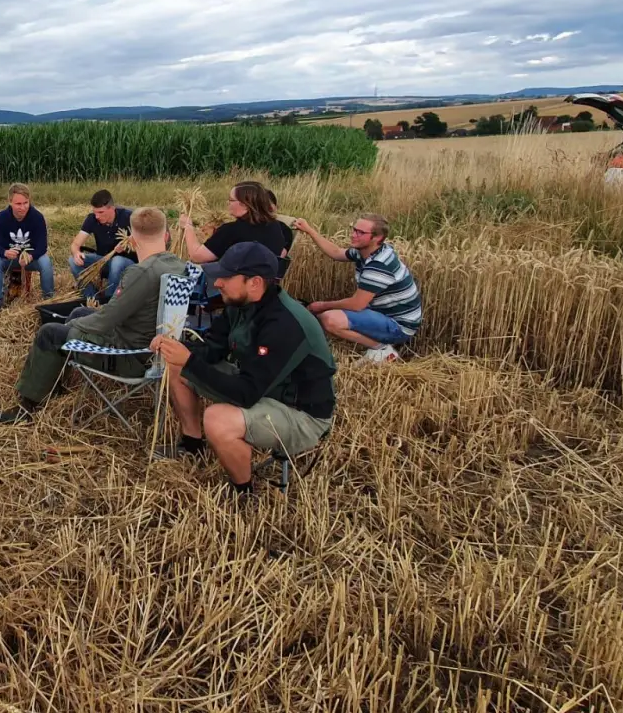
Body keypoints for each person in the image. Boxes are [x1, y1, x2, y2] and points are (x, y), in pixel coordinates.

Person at [151, 242, 336, 494]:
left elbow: (246, 394)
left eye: (226, 276)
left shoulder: (284, 324)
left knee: (217, 419)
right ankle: (192, 446)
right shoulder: (238, 306)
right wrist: (176, 349)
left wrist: (190, 361)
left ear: (255, 282)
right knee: (176, 366)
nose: (217, 282)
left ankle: (244, 492)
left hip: (300, 413)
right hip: (262, 389)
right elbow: (213, 349)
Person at [0, 208, 184, 425]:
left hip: (128, 354)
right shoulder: (178, 265)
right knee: (79, 311)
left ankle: (26, 407)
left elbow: (106, 320)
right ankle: (52, 383)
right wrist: (79, 320)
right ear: (166, 235)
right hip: (154, 348)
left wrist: (74, 325)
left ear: (131, 239)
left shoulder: (141, 273)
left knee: (50, 333)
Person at [292, 213, 422, 363]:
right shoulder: (366, 251)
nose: (354, 235)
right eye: (354, 230)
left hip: (399, 325)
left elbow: (357, 304)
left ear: (377, 238)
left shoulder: (379, 265)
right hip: (384, 314)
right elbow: (336, 253)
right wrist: (309, 230)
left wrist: (321, 305)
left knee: (330, 319)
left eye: (361, 232)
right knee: (327, 315)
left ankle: (381, 349)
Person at [178, 181, 293, 269]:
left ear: (245, 205)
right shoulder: (276, 227)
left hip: (230, 290)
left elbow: (197, 256)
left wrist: (188, 226)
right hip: (263, 288)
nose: (228, 203)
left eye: (231, 200)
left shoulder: (231, 231)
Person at [0, 183, 55, 310]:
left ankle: (49, 300)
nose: (23, 207)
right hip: (9, 258)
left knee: (46, 262)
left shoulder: (37, 217)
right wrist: (5, 252)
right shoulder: (0, 218)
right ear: (10, 202)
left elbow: (42, 246)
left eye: (26, 203)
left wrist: (31, 256)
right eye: (18, 204)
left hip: (30, 259)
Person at [68, 190, 133, 300]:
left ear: (112, 208)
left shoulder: (128, 217)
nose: (97, 216)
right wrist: (76, 253)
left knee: (117, 261)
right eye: (95, 212)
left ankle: (108, 301)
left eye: (101, 212)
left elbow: (143, 240)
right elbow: (75, 244)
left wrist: (129, 244)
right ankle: (92, 298)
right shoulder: (92, 219)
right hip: (104, 260)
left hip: (127, 265)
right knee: (72, 261)